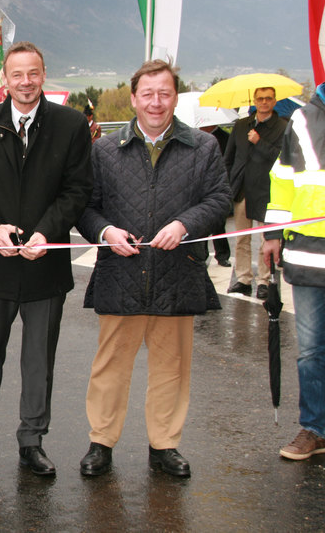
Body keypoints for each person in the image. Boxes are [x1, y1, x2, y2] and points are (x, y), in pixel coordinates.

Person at [76, 59, 231, 478]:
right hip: (120, 273)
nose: (156, 102)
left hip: (177, 272)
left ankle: (164, 445)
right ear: (134, 98)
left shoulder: (203, 147)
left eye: (164, 93)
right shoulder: (105, 150)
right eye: (148, 94)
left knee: (171, 367)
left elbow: (220, 200)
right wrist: (106, 231)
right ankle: (101, 443)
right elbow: (85, 208)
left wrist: (185, 225)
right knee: (110, 366)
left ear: (175, 97)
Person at [0, 41, 92, 477]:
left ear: (43, 74)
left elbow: (77, 190)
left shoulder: (71, 125)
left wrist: (46, 232)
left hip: (45, 264)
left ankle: (31, 441)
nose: (26, 82)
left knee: (39, 361)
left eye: (33, 73)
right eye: (17, 74)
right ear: (4, 80)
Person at [263, 82, 325, 461]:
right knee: (311, 350)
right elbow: (282, 181)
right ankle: (315, 428)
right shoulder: (302, 119)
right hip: (308, 257)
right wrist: (271, 234)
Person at [224, 88, 287, 299]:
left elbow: (281, 157)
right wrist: (228, 183)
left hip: (266, 191)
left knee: (264, 240)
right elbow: (229, 158)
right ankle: (243, 279)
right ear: (254, 101)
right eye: (260, 99)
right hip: (242, 189)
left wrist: (259, 142)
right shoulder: (242, 125)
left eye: (268, 98)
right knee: (241, 238)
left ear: (274, 101)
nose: (264, 102)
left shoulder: (282, 127)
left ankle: (264, 281)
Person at [200, 124, 232, 267]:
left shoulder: (225, 138)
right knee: (199, 224)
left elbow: (229, 161)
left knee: (218, 224)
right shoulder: (193, 137)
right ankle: (202, 254)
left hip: (216, 184)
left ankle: (223, 254)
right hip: (198, 185)